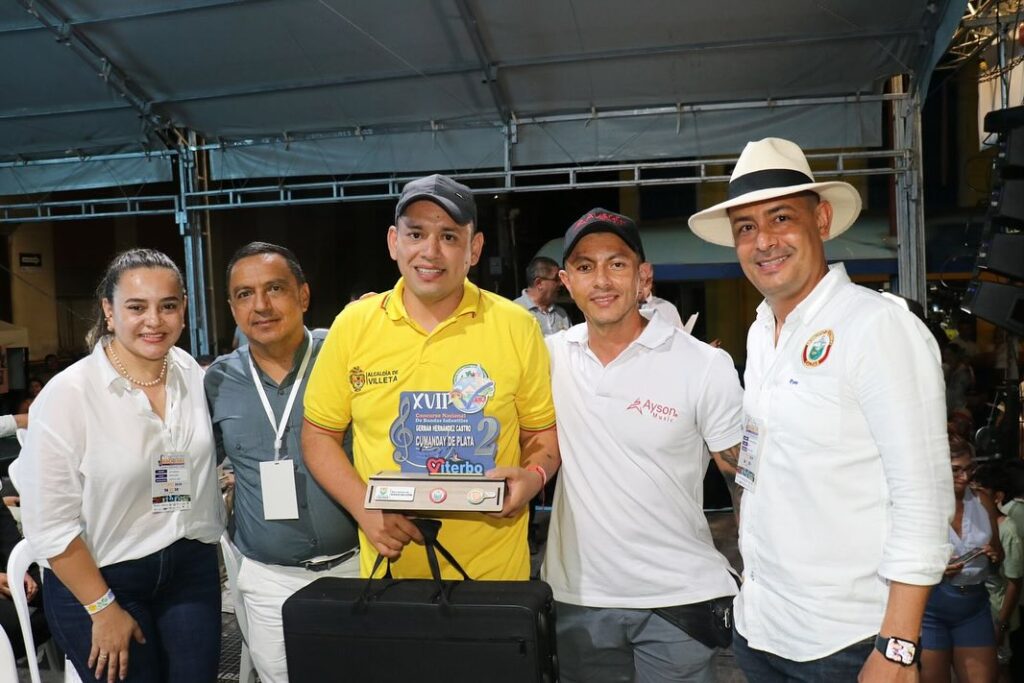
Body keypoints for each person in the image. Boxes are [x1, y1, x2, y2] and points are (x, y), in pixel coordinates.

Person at [689, 137, 953, 679]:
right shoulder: (763, 332)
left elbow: (923, 498)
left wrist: (898, 647)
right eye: (745, 227)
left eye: (781, 217)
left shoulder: (878, 327)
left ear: (823, 220)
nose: (764, 241)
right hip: (761, 633)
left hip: (850, 644)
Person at [302, 173, 559, 580]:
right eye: (416, 234)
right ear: (393, 242)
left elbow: (543, 435)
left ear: (474, 249)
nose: (431, 252)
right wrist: (365, 510)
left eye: (450, 237)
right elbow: (318, 436)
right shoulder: (354, 325)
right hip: (390, 571)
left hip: (494, 575)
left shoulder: (515, 325)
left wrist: (533, 477)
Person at [543, 208, 743, 682]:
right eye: (586, 266)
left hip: (680, 602)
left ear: (643, 277)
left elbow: (744, 481)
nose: (602, 280)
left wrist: (759, 576)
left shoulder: (704, 365)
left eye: (617, 263)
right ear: (567, 282)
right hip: (578, 601)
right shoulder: (547, 359)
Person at [18, 249, 225, 683]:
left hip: (189, 568)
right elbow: (49, 526)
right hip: (100, 578)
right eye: (136, 307)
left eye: (167, 306)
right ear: (109, 312)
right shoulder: (67, 396)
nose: (154, 320)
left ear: (183, 309)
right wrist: (102, 608)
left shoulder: (191, 373)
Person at [205, 242, 361, 683]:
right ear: (233, 307)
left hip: (359, 564)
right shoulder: (217, 381)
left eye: (275, 288)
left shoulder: (344, 356)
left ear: (303, 296)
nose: (262, 305)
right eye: (244, 294)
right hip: (269, 581)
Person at [919, 436, 1002, 683]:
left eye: (969, 469)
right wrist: (937, 569)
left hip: (974, 605)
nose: (964, 477)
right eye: (956, 469)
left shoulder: (982, 501)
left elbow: (999, 556)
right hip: (932, 605)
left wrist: (993, 556)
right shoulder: (924, 504)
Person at [973, 462, 1024, 683]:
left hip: (997, 613)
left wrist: (1001, 625)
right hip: (978, 612)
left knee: (999, 669)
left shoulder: (1008, 528)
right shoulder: (975, 523)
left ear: (997, 496)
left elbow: (1014, 582)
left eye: (980, 492)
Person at [0, 503, 48, 660]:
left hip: (5, 565)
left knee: (60, 592)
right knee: (14, 624)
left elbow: (5, 526)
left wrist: (19, 569)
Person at [513, 256, 572, 336]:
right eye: (556, 279)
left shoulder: (561, 313)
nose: (561, 284)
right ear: (539, 283)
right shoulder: (515, 311)